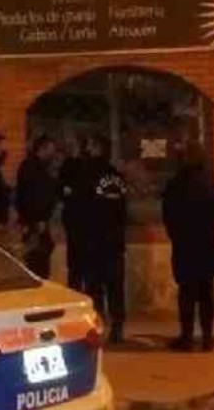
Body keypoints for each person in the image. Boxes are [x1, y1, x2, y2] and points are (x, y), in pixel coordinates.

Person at [163, 144, 214, 352]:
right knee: (206, 292)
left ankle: (187, 337)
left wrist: (176, 234)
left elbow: (168, 215)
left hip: (184, 244)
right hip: (207, 242)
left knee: (186, 292)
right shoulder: (212, 185)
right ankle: (207, 338)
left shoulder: (175, 185)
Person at [81, 136, 129, 343]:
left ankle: (97, 325)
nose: (87, 149)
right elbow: (123, 210)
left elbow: (81, 208)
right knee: (115, 286)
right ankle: (117, 326)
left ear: (98, 149)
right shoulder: (117, 177)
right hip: (115, 241)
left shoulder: (87, 175)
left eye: (90, 146)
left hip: (93, 240)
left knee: (95, 287)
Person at [15, 136, 60, 278]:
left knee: (39, 259)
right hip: (35, 224)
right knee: (37, 262)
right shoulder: (32, 168)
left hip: (37, 222)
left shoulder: (37, 167)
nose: (53, 154)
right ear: (42, 149)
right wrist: (38, 219)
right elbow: (32, 196)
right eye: (51, 150)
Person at [59, 135, 94, 293]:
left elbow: (62, 189)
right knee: (85, 265)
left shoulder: (71, 165)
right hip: (85, 221)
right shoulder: (89, 166)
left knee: (75, 266)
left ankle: (76, 292)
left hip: (75, 219)